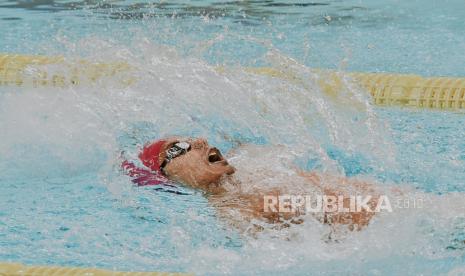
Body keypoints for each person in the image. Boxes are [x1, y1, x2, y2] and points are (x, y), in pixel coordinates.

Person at [122, 137, 387, 233]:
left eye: (191, 138)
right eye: (179, 148)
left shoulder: (252, 165)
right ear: (169, 177)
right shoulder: (242, 211)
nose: (200, 141)